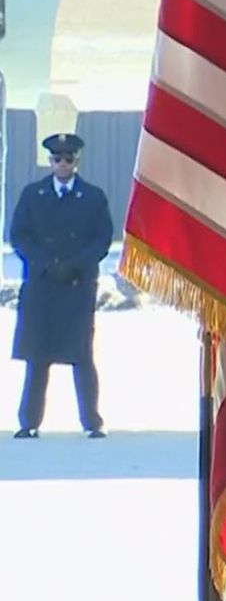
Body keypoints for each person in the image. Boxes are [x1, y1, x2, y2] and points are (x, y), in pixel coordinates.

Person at [10, 133, 114, 439]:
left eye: (68, 159)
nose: (63, 165)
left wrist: (76, 265)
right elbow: (19, 235)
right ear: (50, 161)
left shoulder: (93, 197)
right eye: (57, 159)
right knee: (37, 356)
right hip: (42, 286)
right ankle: (29, 422)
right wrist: (44, 263)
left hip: (77, 286)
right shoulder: (33, 194)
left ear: (76, 161)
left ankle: (92, 422)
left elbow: (102, 238)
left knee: (81, 354)